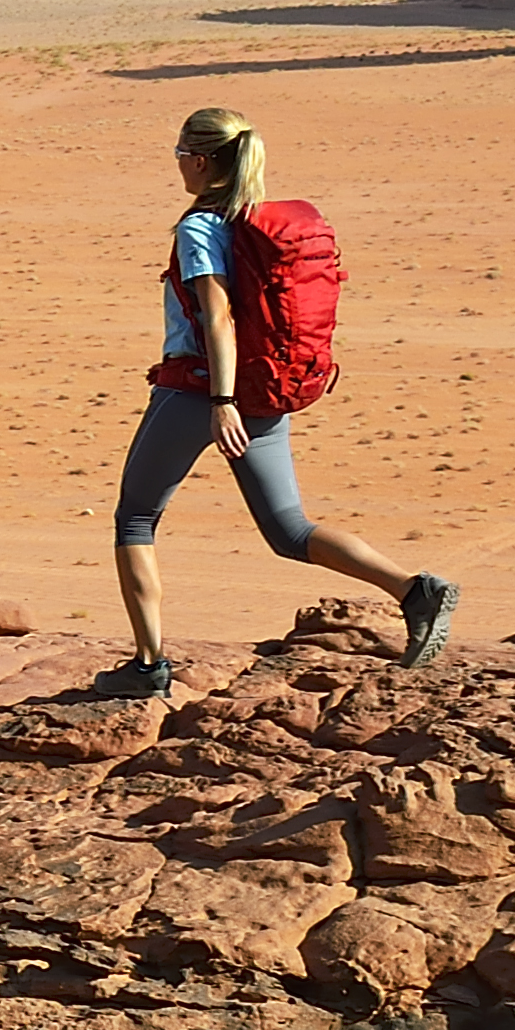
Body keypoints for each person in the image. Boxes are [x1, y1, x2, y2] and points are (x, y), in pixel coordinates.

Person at [91, 103, 447, 699]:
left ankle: (147, 667)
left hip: (199, 389)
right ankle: (415, 590)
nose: (179, 167)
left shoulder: (201, 227)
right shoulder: (257, 223)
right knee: (288, 528)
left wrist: (220, 399)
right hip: (265, 387)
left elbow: (219, 316)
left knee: (136, 518)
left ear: (201, 161)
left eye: (181, 156)